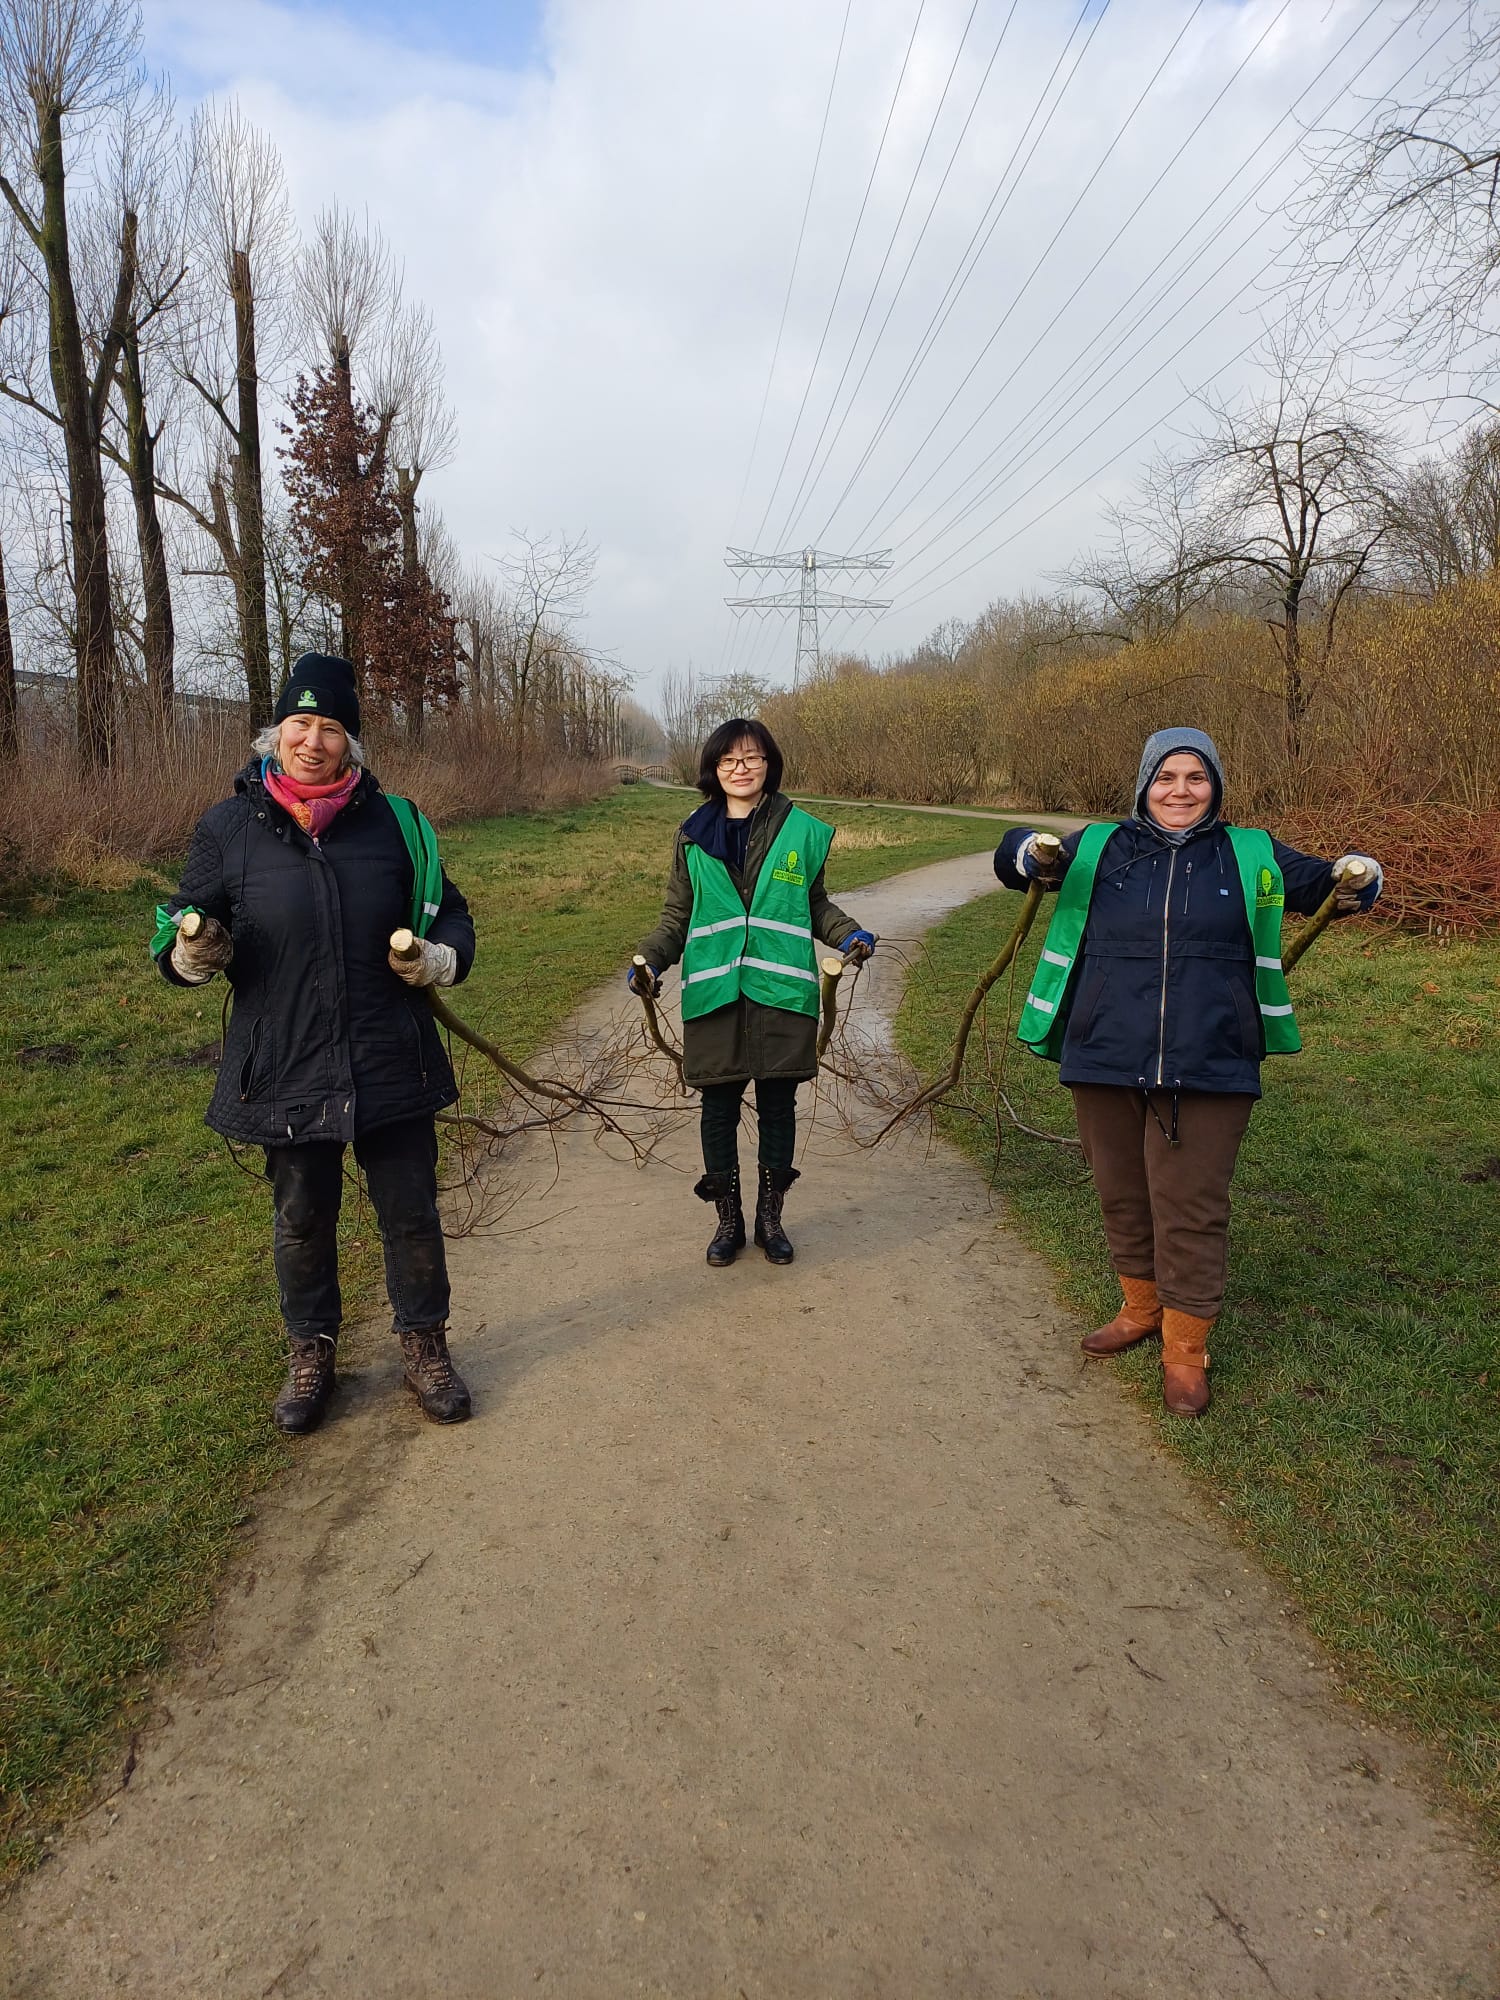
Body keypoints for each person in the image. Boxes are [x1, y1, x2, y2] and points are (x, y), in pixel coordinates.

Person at [994, 727, 1381, 1417]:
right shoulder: (1101, 846)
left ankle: (1185, 1351)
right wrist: (1030, 851)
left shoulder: (1252, 852)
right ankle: (1141, 1309)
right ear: (1144, 783)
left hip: (1213, 1057)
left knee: (1192, 1207)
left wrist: (1359, 872)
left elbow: (1329, 882)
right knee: (1121, 1191)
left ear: (1216, 787)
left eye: (1195, 778)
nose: (1180, 790)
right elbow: (1016, 856)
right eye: (1166, 776)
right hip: (1106, 1050)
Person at [152, 652, 476, 1435]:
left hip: (388, 1053)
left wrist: (435, 958)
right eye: (300, 723)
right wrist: (190, 953)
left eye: (331, 727)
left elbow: (453, 915)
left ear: (351, 745)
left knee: (410, 1213)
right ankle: (311, 1353)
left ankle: (425, 1346)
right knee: (302, 1216)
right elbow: (180, 920)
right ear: (275, 735)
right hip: (286, 1060)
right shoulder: (228, 825)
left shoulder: (399, 823)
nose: (313, 740)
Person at [632, 718, 875, 1266]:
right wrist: (649, 959)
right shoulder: (692, 835)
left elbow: (815, 905)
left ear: (769, 763)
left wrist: (849, 933)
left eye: (751, 758)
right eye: (728, 761)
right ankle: (728, 1222)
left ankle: (771, 1221)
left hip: (781, 994)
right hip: (715, 994)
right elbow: (677, 916)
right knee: (716, 1109)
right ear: (713, 771)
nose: (740, 769)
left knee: (778, 1107)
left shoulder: (803, 832)